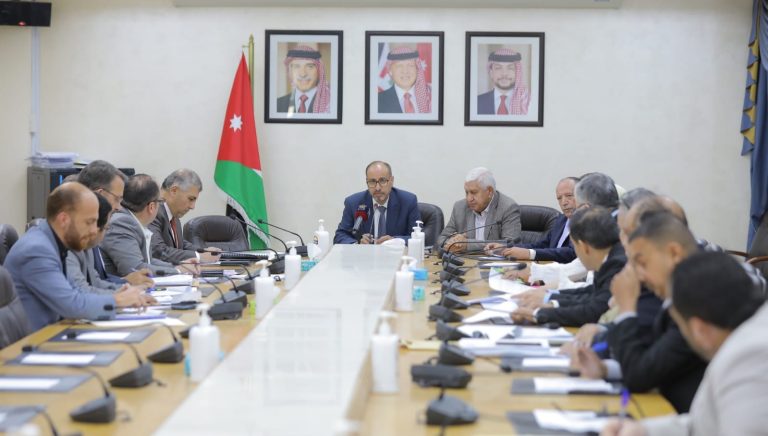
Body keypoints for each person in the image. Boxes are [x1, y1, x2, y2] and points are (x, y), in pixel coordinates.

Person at [601, 252, 768, 436]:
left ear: (699, 330)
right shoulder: (741, 340)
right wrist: (643, 431)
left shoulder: (748, 355)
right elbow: (704, 424)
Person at [573, 212, 708, 413]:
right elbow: (653, 362)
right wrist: (605, 369)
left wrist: (627, 309)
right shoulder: (676, 296)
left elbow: (639, 377)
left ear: (674, 253)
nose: (640, 275)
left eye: (642, 263)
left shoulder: (697, 299)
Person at [4, 183, 154, 331]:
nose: (94, 231)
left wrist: (119, 294)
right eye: (89, 222)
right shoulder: (37, 250)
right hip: (36, 340)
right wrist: (117, 300)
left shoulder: (52, 242)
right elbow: (70, 304)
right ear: (64, 219)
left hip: (54, 332)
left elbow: (77, 291)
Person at [511, 206, 625, 327]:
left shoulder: (617, 264)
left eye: (575, 248)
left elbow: (594, 310)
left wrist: (539, 313)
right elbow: (591, 293)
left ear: (584, 247)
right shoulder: (610, 256)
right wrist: (549, 298)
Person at [503, 172, 620, 286]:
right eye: (559, 198)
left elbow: (595, 292)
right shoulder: (607, 226)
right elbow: (578, 267)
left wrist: (548, 290)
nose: (564, 202)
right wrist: (535, 273)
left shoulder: (616, 237)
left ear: (586, 208)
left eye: (570, 197)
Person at [77, 160, 152, 287]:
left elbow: (96, 280)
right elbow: (82, 289)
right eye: (117, 199)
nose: (119, 207)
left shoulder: (90, 227)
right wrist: (125, 285)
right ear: (99, 195)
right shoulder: (75, 234)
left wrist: (125, 282)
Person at [101, 174, 189, 277]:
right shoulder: (121, 224)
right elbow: (135, 269)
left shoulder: (132, 221)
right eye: (160, 201)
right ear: (151, 207)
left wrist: (181, 267)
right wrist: (178, 271)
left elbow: (148, 261)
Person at [486, 176, 578, 263]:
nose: (563, 202)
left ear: (582, 196)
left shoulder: (585, 223)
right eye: (559, 198)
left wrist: (530, 254)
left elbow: (572, 253)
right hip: (549, 269)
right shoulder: (561, 220)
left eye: (569, 195)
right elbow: (542, 245)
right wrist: (505, 247)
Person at [436, 167, 521, 253]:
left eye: (474, 192)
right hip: (464, 260)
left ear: (489, 191)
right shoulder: (460, 207)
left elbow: (510, 244)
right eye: (466, 192)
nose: (469, 198)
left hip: (493, 261)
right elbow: (442, 239)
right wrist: (453, 242)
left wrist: (468, 245)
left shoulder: (508, 207)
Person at [334, 161, 420, 244]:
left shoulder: (408, 201)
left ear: (391, 180)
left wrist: (395, 241)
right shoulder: (353, 203)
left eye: (382, 181)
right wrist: (357, 244)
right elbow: (340, 235)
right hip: (366, 254)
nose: (377, 188)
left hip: (395, 253)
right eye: (372, 182)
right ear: (367, 182)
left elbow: (418, 237)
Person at [149, 169, 221, 264]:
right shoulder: (154, 212)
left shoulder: (174, 214)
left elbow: (180, 244)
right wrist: (199, 256)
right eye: (191, 199)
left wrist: (204, 251)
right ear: (174, 191)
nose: (192, 206)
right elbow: (158, 251)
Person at [276, 46, 330, 114]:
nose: (303, 74)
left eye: (310, 66)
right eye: (296, 66)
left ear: (319, 70)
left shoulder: (330, 104)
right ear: (289, 71)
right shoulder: (277, 104)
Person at [477, 48, 530, 115]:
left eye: (510, 68)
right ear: (491, 73)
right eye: (498, 68)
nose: (504, 73)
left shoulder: (528, 102)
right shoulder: (476, 102)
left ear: (517, 73)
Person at [378, 47, 431, 114]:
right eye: (399, 66)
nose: (405, 71)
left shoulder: (430, 98)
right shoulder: (378, 101)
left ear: (417, 69)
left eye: (410, 65)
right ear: (390, 71)